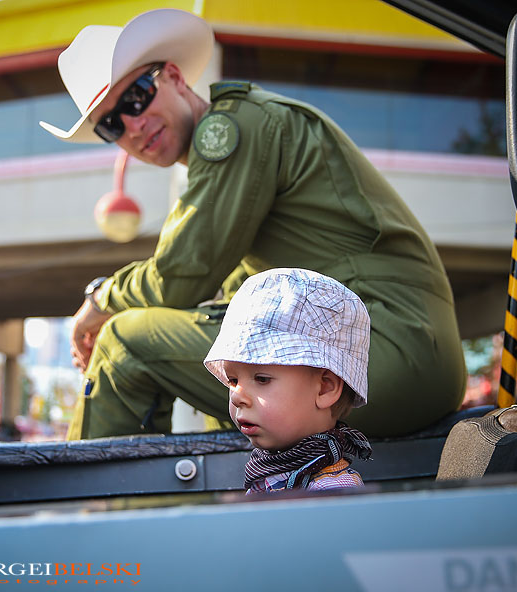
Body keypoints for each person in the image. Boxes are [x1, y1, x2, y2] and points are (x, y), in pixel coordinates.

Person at [41, 8, 466, 440]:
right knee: (229, 346)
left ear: (171, 76)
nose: (133, 126)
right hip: (395, 356)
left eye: (136, 97)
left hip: (383, 353)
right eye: (111, 125)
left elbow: (179, 276)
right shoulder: (247, 138)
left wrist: (100, 301)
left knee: (123, 343)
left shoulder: (231, 129)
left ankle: (101, 507)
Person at [204, 268, 373, 493]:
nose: (237, 396)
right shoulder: (267, 471)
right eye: (233, 380)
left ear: (325, 388)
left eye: (262, 379)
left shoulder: (331, 492)